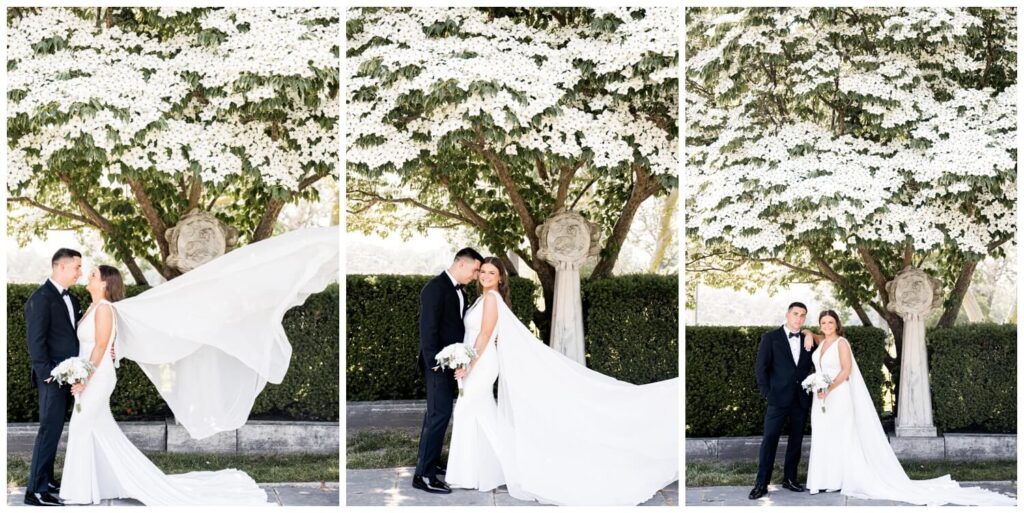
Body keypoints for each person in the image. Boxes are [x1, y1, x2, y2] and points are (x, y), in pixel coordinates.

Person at [32, 226, 337, 505]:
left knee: (85, 427)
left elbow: (99, 347)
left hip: (96, 378)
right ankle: (89, 485)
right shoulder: (92, 307)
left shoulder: (105, 310)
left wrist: (85, 376)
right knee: (92, 429)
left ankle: (84, 489)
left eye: (92, 273)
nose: (86, 275)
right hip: (93, 375)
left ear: (104, 283)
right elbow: (95, 345)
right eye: (83, 270)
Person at [443, 257, 678, 506]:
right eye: (483, 272)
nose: (486, 275)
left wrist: (469, 363)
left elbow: (485, 334)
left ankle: (513, 468)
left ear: (501, 277)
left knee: (473, 410)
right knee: (475, 412)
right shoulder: (482, 298)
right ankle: (483, 472)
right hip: (476, 358)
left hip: (481, 361)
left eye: (492, 272)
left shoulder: (492, 299)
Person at [801, 310, 1015, 506]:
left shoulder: (841, 343)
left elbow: (846, 370)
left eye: (830, 322)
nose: (827, 325)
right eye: (823, 322)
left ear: (837, 324)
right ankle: (825, 479)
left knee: (842, 436)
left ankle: (840, 478)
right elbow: (810, 335)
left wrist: (828, 388)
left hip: (837, 395)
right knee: (826, 436)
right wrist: (808, 332)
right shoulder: (822, 341)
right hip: (821, 398)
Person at [412, 248, 483, 494]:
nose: (476, 276)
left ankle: (427, 463)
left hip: (452, 363)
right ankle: (424, 476)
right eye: (475, 270)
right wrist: (434, 362)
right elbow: (428, 330)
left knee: (436, 415)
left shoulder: (459, 291)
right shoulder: (435, 288)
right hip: (437, 364)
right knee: (439, 415)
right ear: (462, 264)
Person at [24, 249, 83, 506]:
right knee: (48, 431)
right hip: (52, 380)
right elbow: (35, 343)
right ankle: (35, 491)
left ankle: (46, 479)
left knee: (56, 431)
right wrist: (48, 375)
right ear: (61, 267)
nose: (80, 272)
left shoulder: (74, 299)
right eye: (77, 267)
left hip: (70, 376)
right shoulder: (40, 299)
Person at [749, 302, 816, 500]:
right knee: (769, 440)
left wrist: (810, 332)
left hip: (800, 398)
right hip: (777, 398)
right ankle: (761, 484)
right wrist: (767, 393)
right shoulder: (770, 338)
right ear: (787, 315)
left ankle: (790, 479)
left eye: (803, 315)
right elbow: (761, 368)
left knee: (796, 441)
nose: (799, 318)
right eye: (795, 314)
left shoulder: (807, 338)